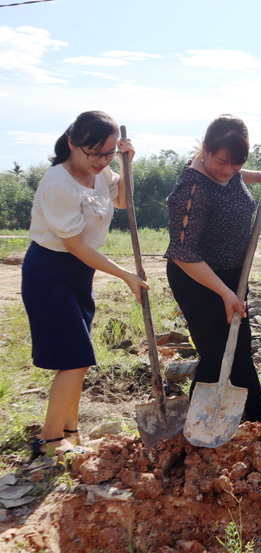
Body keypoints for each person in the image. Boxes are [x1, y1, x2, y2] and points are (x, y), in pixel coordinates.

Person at [21, 111, 148, 458]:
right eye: (94, 153)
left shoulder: (101, 170)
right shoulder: (58, 184)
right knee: (75, 357)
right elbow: (76, 246)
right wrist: (126, 275)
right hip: (50, 272)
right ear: (72, 143)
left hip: (79, 273)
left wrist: (125, 164)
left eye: (108, 152)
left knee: (76, 358)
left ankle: (71, 432)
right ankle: (49, 440)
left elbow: (123, 201)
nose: (101, 160)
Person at [164, 115, 261, 424]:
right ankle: (200, 429)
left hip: (231, 277)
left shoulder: (229, 171)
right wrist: (225, 293)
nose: (229, 171)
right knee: (216, 354)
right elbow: (182, 253)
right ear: (204, 149)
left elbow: (236, 178)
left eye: (237, 163)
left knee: (240, 353)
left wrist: (260, 174)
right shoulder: (192, 188)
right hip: (199, 280)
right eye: (222, 162)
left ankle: (255, 427)